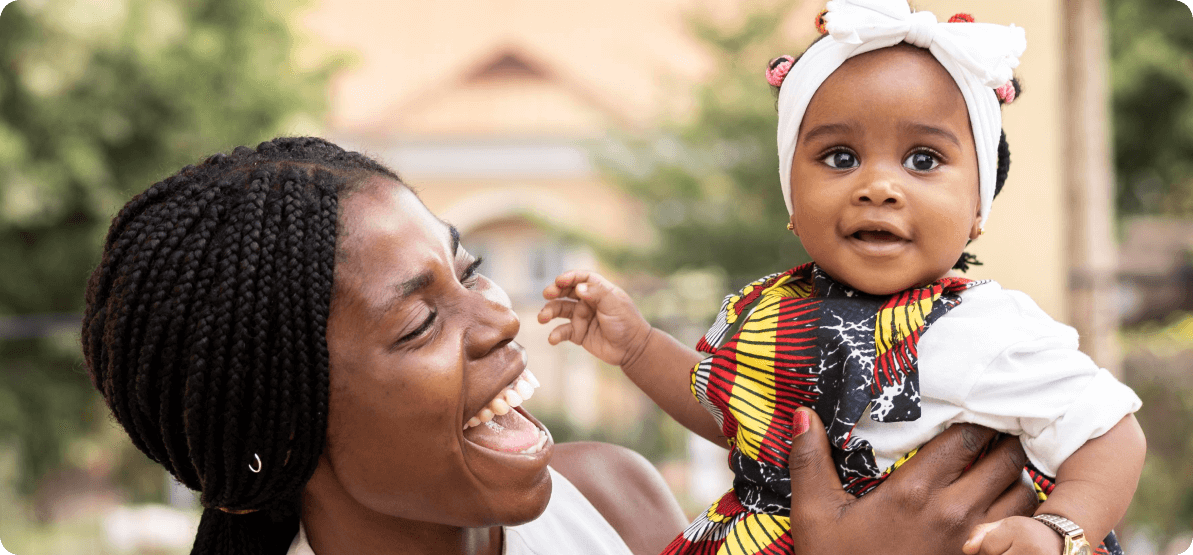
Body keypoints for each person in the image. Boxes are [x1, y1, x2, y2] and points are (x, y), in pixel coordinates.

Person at [82, 136, 1041, 555]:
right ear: (274, 428)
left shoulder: (611, 501)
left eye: (470, 267)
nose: (495, 319)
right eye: (418, 321)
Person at [538, 2, 1146, 555]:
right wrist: (639, 347)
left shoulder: (982, 328)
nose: (878, 186)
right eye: (841, 158)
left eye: (923, 160)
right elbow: (733, 418)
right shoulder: (771, 305)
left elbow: (1110, 433)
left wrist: (1059, 527)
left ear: (978, 211)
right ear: (792, 198)